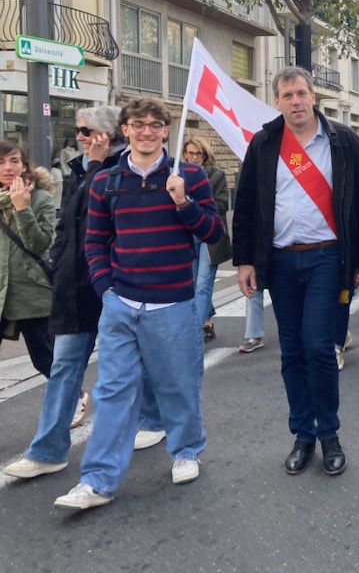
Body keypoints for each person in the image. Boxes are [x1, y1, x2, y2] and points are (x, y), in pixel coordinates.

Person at [53, 98, 223, 511]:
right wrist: (106, 288)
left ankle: (185, 450)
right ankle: (97, 480)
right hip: (120, 305)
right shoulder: (106, 182)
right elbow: (95, 241)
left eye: (155, 125)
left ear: (166, 130)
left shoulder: (191, 176)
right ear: (124, 130)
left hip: (174, 304)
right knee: (112, 391)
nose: (147, 132)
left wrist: (184, 202)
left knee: (177, 385)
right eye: (138, 125)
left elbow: (213, 232)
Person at [233, 67, 359, 477]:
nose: (295, 101)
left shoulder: (342, 140)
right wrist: (245, 260)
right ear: (276, 101)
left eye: (301, 93)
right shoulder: (264, 143)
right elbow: (246, 205)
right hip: (279, 260)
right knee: (291, 351)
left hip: (327, 258)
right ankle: (302, 435)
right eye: (286, 95)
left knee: (317, 345)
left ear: (313, 97)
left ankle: (329, 432)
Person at [4, 107, 126, 480]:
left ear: (105, 134)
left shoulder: (122, 169)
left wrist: (98, 164)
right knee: (63, 368)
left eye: (86, 131)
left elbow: (106, 216)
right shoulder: (79, 170)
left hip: (113, 286)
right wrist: (60, 268)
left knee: (132, 368)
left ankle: (156, 423)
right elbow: (66, 229)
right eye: (78, 131)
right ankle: (48, 451)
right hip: (73, 285)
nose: (80, 137)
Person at [0, 141, 55, 378]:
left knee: (46, 360)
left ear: (24, 166)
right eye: (1, 162)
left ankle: (73, 398)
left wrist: (22, 209)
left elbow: (40, 244)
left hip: (33, 294)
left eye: (14, 160)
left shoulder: (41, 198)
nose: (8, 167)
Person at [181, 136, 232, 342]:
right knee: (193, 284)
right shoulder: (178, 174)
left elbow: (221, 204)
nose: (194, 157)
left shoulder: (216, 174)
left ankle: (195, 330)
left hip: (209, 236)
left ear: (205, 155)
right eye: (190, 153)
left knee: (203, 284)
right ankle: (207, 321)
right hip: (187, 236)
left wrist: (196, 207)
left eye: (198, 153)